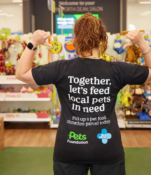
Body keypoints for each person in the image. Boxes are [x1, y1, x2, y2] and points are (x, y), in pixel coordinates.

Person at [16, 13, 151, 175]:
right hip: (106, 147)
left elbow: (21, 74)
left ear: (76, 40)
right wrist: (142, 43)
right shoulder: (117, 70)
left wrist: (33, 42)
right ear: (102, 38)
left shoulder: (61, 68)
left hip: (69, 148)